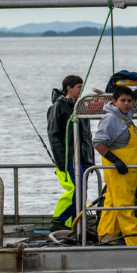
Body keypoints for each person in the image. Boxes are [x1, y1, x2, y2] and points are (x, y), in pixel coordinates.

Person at [93, 85, 137, 245]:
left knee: (112, 203)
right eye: (123, 101)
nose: (127, 104)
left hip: (128, 172)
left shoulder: (124, 116)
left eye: (130, 101)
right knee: (124, 205)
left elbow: (129, 111)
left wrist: (135, 95)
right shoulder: (110, 119)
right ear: (114, 102)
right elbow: (98, 143)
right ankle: (136, 240)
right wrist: (114, 160)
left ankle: (107, 237)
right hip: (118, 172)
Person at [46, 75, 93, 232]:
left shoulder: (80, 106)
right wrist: (61, 160)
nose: (81, 90)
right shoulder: (58, 107)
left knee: (83, 193)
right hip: (69, 158)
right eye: (79, 87)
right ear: (69, 88)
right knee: (75, 190)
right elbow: (54, 134)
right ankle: (58, 219)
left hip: (83, 157)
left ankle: (75, 226)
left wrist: (89, 158)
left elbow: (87, 134)